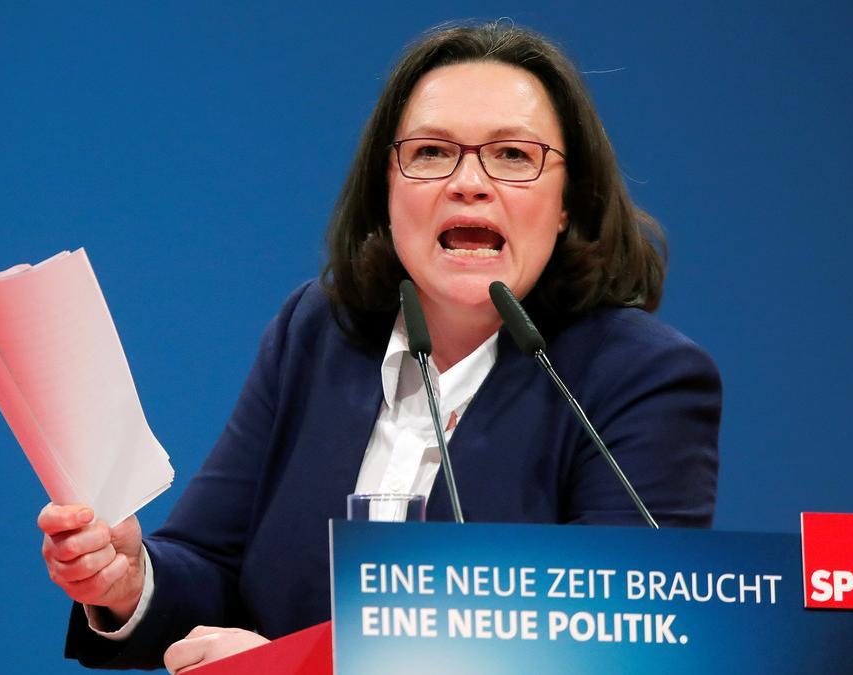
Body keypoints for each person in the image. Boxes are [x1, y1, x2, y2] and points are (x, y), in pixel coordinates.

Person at [40, 22, 721, 672]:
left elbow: (613, 641)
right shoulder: (315, 331)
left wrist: (297, 669)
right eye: (431, 152)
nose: (469, 181)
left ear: (568, 201)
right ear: (385, 191)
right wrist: (132, 582)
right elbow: (210, 561)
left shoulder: (639, 379)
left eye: (513, 155)